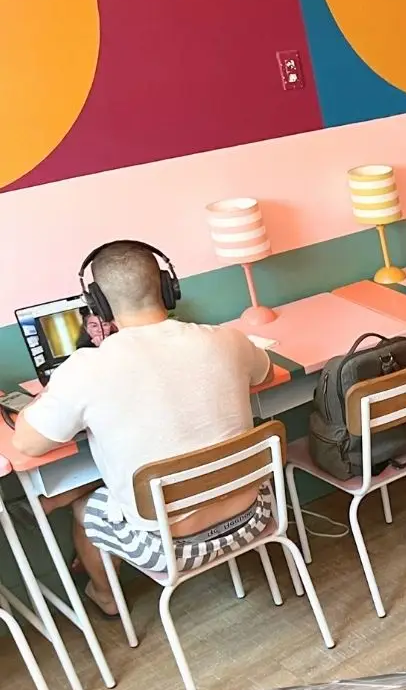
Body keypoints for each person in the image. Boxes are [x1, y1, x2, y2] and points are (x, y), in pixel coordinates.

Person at [13, 241, 274, 617]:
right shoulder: (226, 339)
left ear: (98, 304)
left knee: (88, 508)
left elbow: (27, 443)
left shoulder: (86, 369)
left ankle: (105, 598)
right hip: (255, 515)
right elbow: (264, 371)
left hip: (170, 547)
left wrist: (41, 400)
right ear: (168, 287)